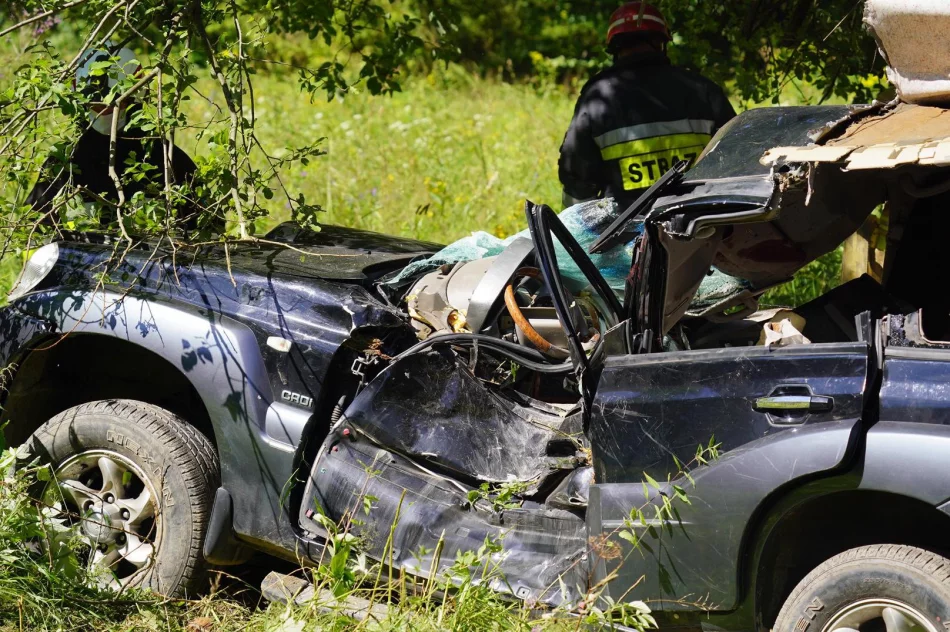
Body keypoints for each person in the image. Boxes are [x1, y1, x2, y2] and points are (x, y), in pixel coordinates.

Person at [558, 2, 736, 210]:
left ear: (615, 47)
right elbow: (737, 156)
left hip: (626, 232)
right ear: (661, 42)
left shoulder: (597, 97)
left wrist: (583, 234)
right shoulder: (703, 90)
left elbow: (577, 174)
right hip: (699, 223)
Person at [26, 46, 207, 233]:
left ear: (135, 95)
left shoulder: (171, 163)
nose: (103, 110)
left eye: (113, 102)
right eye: (95, 102)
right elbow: (35, 237)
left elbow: (207, 237)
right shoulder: (63, 164)